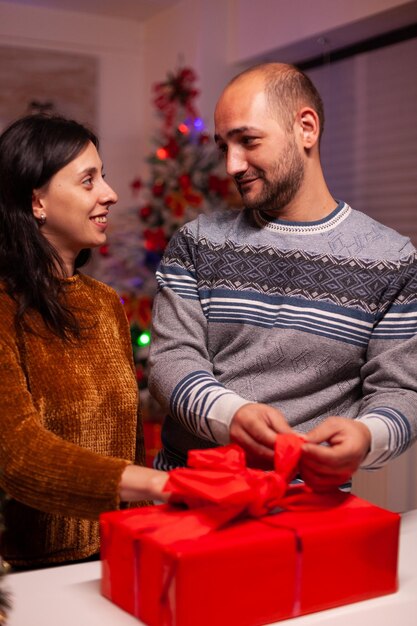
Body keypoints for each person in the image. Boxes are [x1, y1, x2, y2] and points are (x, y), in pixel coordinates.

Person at [149, 62, 417, 490]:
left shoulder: (392, 260)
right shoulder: (197, 242)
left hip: (306, 506)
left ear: (306, 128)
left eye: (248, 140)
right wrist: (230, 415)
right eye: (224, 147)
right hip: (190, 492)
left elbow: (402, 391)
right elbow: (170, 360)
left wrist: (367, 436)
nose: (233, 165)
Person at [0, 114, 168, 570]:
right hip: (29, 572)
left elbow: (127, 440)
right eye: (88, 180)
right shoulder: (3, 307)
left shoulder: (103, 303)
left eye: (104, 176)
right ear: (37, 201)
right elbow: (18, 454)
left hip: (118, 554)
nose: (109, 194)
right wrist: (160, 485)